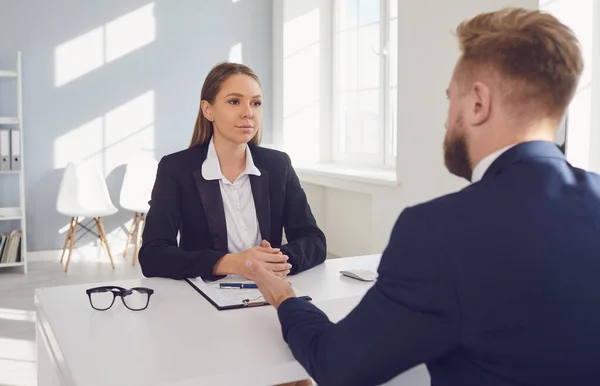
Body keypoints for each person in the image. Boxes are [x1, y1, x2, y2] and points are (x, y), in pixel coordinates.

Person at [248, 7, 600, 386]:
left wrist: (286, 299)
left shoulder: (438, 231)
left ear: (478, 103)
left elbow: (337, 367)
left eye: (452, 100)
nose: (447, 120)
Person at [138, 62, 326, 281]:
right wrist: (232, 263)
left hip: (267, 293)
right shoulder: (176, 169)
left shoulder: (278, 165)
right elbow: (153, 255)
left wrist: (277, 260)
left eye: (256, 103)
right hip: (204, 297)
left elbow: (313, 240)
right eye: (234, 102)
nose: (248, 113)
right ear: (208, 110)